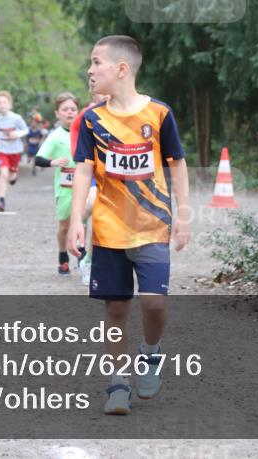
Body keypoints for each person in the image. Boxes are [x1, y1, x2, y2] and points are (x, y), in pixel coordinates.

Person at [67, 35, 191, 416]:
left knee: (154, 303)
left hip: (152, 226)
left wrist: (183, 214)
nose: (90, 70)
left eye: (97, 62)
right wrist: (76, 221)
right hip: (108, 230)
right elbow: (84, 170)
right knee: (116, 309)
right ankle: (117, 382)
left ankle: (150, 353)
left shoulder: (158, 114)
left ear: (122, 69)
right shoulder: (91, 119)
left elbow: (177, 163)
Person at [33, 92, 87, 276]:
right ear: (57, 114)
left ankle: (82, 255)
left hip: (84, 185)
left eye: (73, 109)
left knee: (83, 220)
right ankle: (63, 256)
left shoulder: (85, 132)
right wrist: (53, 162)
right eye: (65, 109)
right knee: (64, 225)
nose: (70, 112)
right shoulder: (55, 136)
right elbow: (38, 159)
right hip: (65, 189)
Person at [69, 89, 109, 285]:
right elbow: (78, 153)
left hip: (117, 177)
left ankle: (89, 260)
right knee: (92, 205)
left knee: (103, 222)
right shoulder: (85, 118)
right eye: (100, 93)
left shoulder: (127, 113)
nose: (105, 96)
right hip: (92, 172)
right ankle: (77, 228)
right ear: (92, 95)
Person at [0, 90, 28, 212]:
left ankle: (14, 176)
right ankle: (1, 201)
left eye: (4, 102)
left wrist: (16, 134)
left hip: (15, 151)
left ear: (10, 105)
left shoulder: (16, 118)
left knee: (11, 178)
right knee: (3, 174)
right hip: (2, 151)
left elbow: (26, 130)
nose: (2, 105)